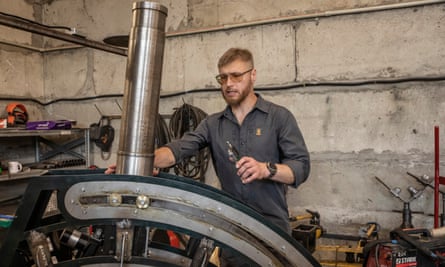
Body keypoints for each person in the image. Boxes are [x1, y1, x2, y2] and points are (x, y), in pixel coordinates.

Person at [107, 47, 310, 266]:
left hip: (272, 232)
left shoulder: (279, 118)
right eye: (223, 78)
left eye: (236, 76)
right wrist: (133, 164)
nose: (229, 84)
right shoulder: (213, 124)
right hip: (232, 231)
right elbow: (176, 150)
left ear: (253, 75)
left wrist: (265, 169)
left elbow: (300, 168)